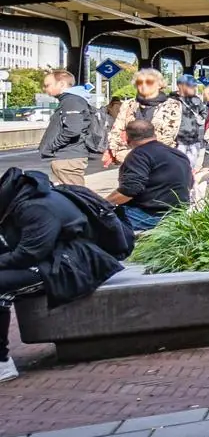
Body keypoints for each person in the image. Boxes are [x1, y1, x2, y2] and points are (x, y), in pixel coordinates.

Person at [0, 168, 124, 384]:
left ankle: (2, 362)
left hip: (71, 264)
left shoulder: (35, 207)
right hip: (54, 258)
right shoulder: (20, 201)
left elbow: (30, 253)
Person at [108, 118, 191, 232]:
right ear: (154, 134)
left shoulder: (138, 155)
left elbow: (130, 190)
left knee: (99, 220)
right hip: (178, 213)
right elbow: (189, 182)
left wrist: (102, 203)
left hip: (150, 215)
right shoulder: (177, 154)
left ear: (128, 137)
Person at [106, 68, 184, 169]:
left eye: (149, 82)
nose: (143, 85)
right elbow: (116, 131)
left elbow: (167, 136)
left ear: (159, 85)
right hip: (129, 160)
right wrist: (118, 152)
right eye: (139, 82)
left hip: (159, 160)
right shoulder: (128, 104)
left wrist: (139, 155)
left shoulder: (172, 105)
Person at [36, 69, 101, 187]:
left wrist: (53, 145)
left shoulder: (71, 101)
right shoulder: (72, 100)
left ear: (61, 84)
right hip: (68, 156)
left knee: (74, 193)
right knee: (69, 193)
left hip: (68, 157)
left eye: (48, 85)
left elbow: (72, 130)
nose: (45, 89)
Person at [172, 73, 209, 170]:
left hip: (194, 139)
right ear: (181, 86)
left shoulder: (196, 100)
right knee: (178, 167)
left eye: (195, 86)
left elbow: (204, 112)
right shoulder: (172, 100)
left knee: (191, 166)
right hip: (178, 140)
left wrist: (199, 119)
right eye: (192, 86)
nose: (195, 88)